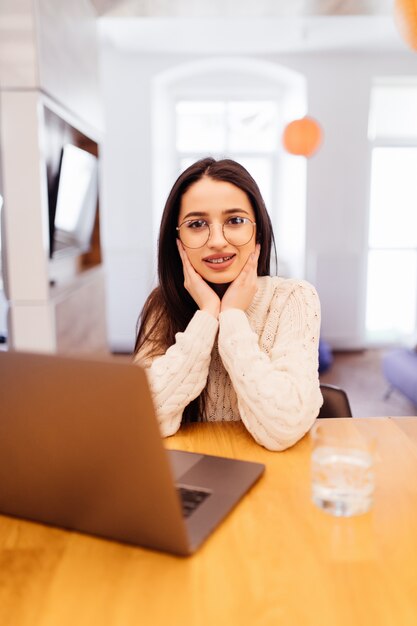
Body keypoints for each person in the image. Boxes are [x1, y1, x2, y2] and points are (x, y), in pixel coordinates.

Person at [134, 157, 322, 451]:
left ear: (258, 230)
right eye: (197, 224)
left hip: (271, 475)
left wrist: (232, 316)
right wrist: (207, 315)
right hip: (188, 475)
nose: (217, 241)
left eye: (234, 221)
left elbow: (284, 427)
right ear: (177, 239)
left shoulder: (293, 298)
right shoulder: (162, 304)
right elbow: (140, 418)